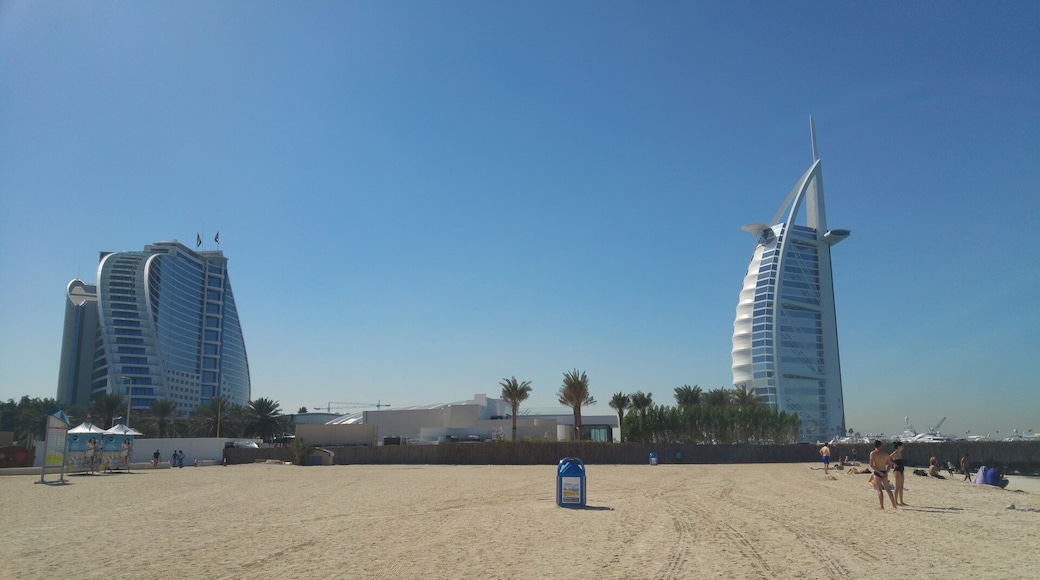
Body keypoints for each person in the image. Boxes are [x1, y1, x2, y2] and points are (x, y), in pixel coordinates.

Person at [869, 440, 897, 509]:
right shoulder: (885, 453)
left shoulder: (873, 453)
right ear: (881, 445)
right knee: (888, 489)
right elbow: (890, 464)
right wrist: (887, 472)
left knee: (879, 489)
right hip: (884, 471)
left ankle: (882, 506)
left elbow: (871, 465)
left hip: (878, 471)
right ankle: (894, 505)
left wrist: (878, 472)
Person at [889, 441, 908, 506]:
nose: (903, 447)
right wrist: (893, 463)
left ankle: (901, 501)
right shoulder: (895, 453)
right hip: (897, 470)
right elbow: (888, 458)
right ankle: (895, 501)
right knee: (897, 487)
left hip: (901, 469)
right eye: (902, 446)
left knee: (901, 486)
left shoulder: (900, 453)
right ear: (899, 447)